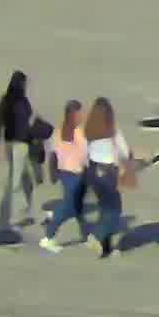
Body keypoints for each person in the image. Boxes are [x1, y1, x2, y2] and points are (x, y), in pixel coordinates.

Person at [0, 71, 50, 236]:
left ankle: (33, 213)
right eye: (24, 84)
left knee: (27, 181)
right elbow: (3, 123)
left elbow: (1, 124)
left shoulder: (12, 100)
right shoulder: (16, 102)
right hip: (18, 146)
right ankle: (10, 222)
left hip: (16, 145)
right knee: (15, 183)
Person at [80, 96, 134, 256]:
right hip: (108, 172)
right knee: (114, 209)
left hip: (93, 171)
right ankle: (96, 237)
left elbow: (84, 152)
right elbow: (124, 150)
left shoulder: (88, 130)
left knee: (105, 208)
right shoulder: (112, 129)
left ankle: (106, 248)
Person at [43, 99, 91, 251]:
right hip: (73, 174)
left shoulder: (60, 131)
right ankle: (48, 237)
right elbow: (86, 154)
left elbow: (52, 153)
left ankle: (86, 235)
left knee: (78, 207)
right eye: (79, 114)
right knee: (68, 207)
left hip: (67, 174)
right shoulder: (77, 132)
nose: (81, 116)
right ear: (72, 115)